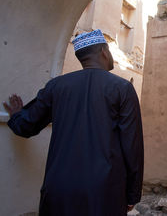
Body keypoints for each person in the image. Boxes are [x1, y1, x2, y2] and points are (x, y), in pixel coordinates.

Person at [3, 29, 144, 216]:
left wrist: (16, 115)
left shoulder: (56, 87)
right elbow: (132, 146)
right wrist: (132, 194)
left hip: (58, 191)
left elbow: (27, 126)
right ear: (103, 51)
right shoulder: (122, 88)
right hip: (104, 194)